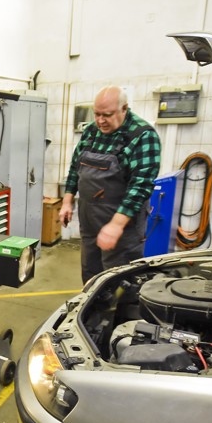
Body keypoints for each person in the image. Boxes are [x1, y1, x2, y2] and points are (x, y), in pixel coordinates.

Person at [59, 85, 161, 283]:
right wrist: (67, 201)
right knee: (91, 274)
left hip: (123, 227)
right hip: (90, 220)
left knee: (119, 281)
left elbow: (140, 186)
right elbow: (75, 167)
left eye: (107, 114)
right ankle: (91, 313)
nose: (100, 121)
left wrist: (116, 225)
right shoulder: (91, 131)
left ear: (124, 108)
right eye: (96, 114)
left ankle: (118, 315)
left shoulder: (142, 136)